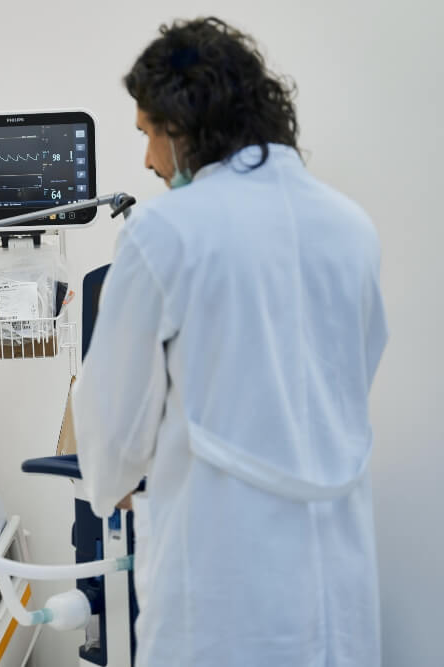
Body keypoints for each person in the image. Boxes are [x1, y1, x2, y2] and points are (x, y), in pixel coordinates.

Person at [72, 17, 387, 667]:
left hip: (221, 595)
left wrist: (116, 477)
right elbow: (355, 370)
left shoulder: (163, 231)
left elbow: (111, 435)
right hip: (340, 591)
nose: (147, 162)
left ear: (179, 125)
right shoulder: (351, 226)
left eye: (147, 135)